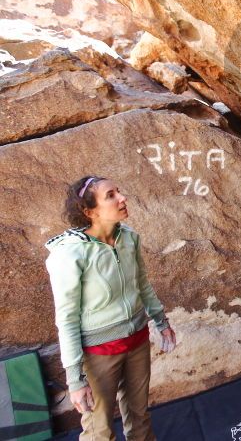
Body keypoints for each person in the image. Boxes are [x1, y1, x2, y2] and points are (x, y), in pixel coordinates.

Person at [45, 176, 177, 440]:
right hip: (99, 354)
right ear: (89, 211)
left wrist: (161, 322)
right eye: (110, 195)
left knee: (140, 418)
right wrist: (75, 379)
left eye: (119, 191)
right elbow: (67, 319)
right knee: (99, 431)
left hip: (137, 342)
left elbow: (142, 284)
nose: (122, 198)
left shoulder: (129, 237)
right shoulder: (69, 254)